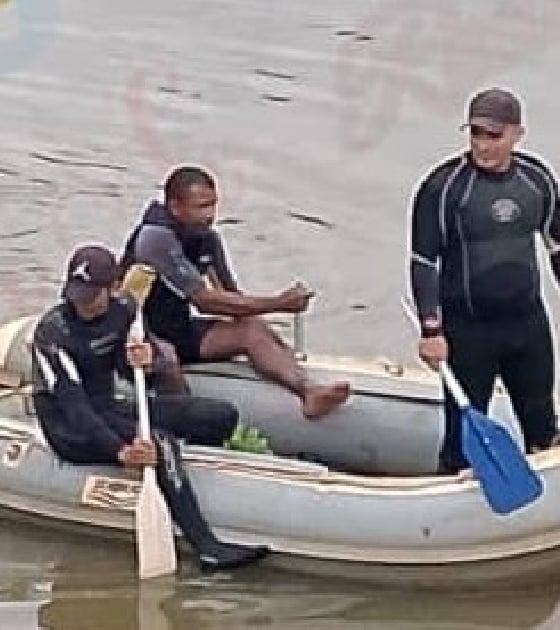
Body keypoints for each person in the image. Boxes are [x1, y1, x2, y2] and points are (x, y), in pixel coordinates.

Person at [30, 244, 269, 572]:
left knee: (219, 415)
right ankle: (208, 548)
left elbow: (131, 371)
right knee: (162, 444)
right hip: (69, 428)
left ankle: (188, 479)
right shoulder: (53, 332)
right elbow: (75, 407)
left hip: (109, 407)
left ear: (113, 288)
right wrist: (122, 451)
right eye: (76, 295)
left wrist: (147, 360)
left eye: (90, 296)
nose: (81, 305)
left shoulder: (125, 310)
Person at [118, 164, 351, 419]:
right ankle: (186, 426)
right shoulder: (155, 239)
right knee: (168, 359)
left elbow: (230, 296)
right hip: (135, 333)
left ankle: (308, 391)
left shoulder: (207, 238)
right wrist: (279, 303)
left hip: (176, 326)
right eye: (201, 207)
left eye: (213, 205)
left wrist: (269, 339)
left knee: (252, 332)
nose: (210, 215)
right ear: (175, 207)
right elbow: (205, 302)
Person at [408, 87, 560, 474]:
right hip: (468, 332)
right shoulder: (444, 188)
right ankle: (448, 509)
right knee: (462, 440)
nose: (483, 144)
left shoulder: (537, 180)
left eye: (494, 135)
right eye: (476, 133)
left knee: (543, 427)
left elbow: (555, 247)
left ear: (517, 134)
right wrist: (431, 330)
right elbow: (424, 262)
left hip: (528, 324)